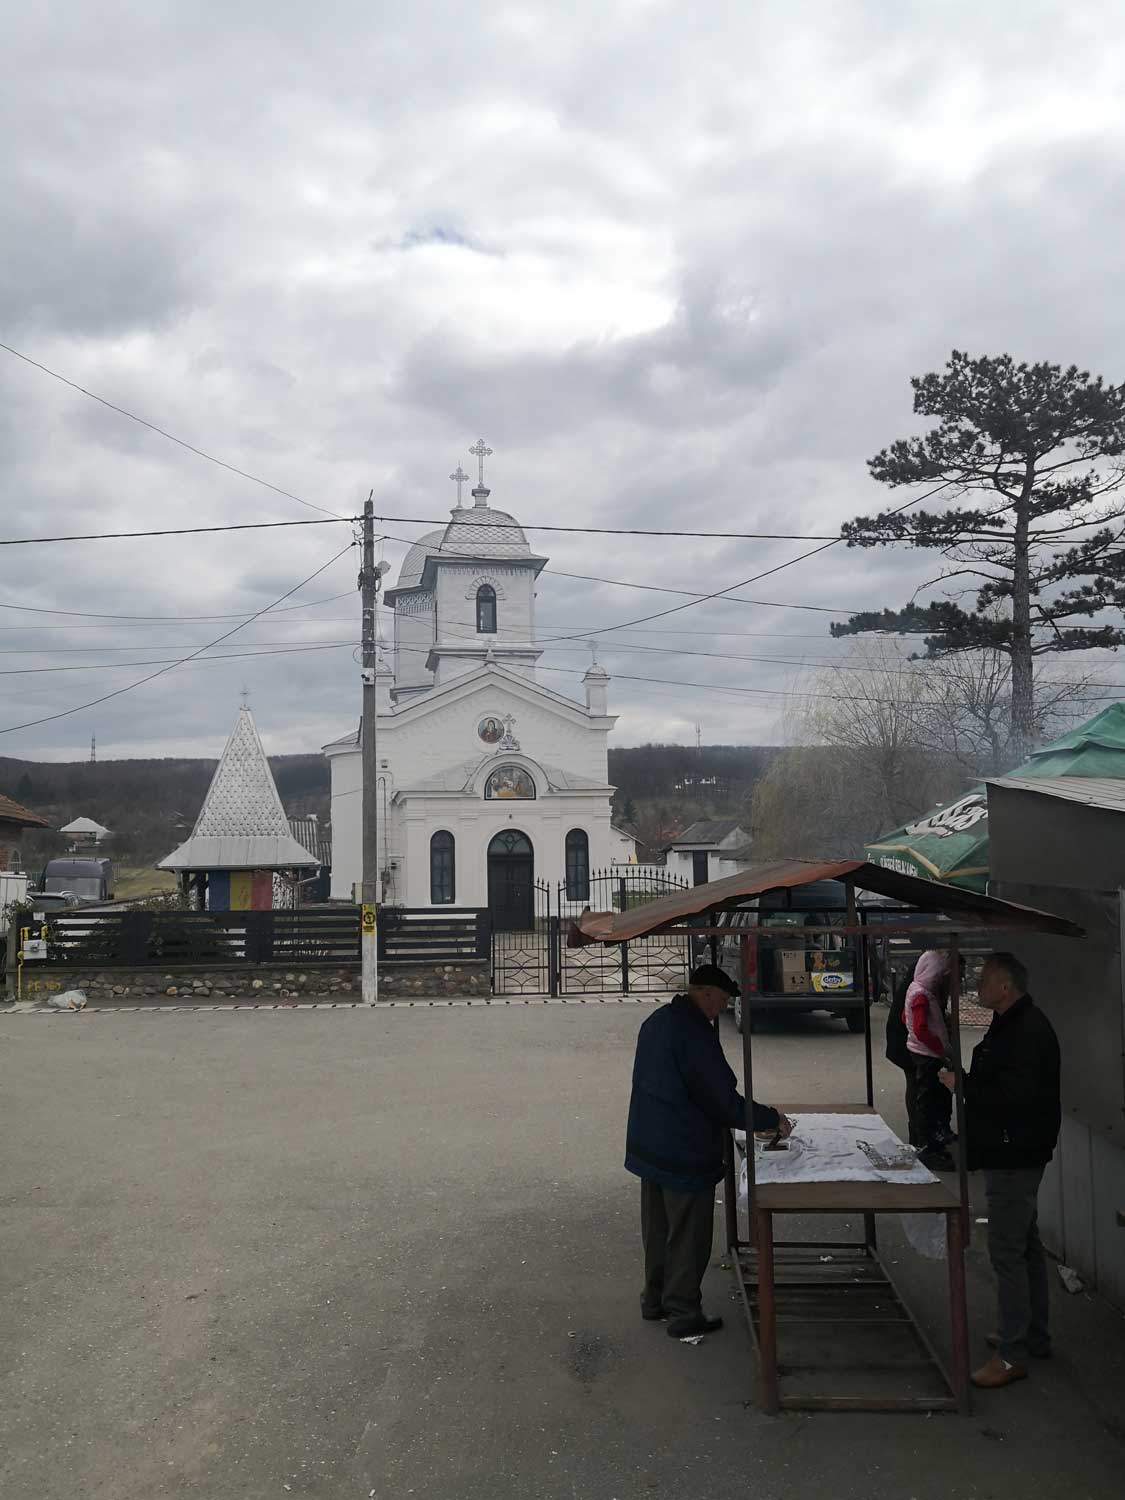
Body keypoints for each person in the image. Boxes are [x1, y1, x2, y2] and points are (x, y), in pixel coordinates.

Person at [624, 963, 792, 1339]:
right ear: (705, 994)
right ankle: (683, 1312)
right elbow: (719, 1100)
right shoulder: (694, 1034)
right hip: (683, 1148)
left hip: (649, 1142)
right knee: (688, 1234)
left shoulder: (658, 1020)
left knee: (658, 1229)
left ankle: (654, 1299)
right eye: (721, 1001)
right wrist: (769, 1117)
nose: (721, 1009)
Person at [941, 952, 1061, 1390]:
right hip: (1013, 1150)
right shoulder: (1011, 1022)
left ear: (1006, 987)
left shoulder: (1027, 1030)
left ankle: (1011, 1354)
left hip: (1015, 1153)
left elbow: (1014, 1097)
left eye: (986, 980)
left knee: (1007, 1251)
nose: (978, 986)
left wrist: (963, 1086)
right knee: (1026, 1244)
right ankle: (1033, 1334)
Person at [904, 949, 956, 1170]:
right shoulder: (922, 995)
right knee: (928, 1100)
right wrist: (940, 1049)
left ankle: (934, 1138)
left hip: (923, 1052)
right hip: (927, 1054)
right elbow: (920, 1028)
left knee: (930, 1096)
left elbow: (905, 1018)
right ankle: (928, 1145)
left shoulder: (916, 990)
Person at [884, 956, 920, 1144]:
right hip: (906, 1042)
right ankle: (917, 1132)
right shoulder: (919, 992)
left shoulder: (916, 985)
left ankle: (917, 1131)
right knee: (915, 1084)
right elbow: (918, 1026)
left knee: (915, 1084)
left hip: (906, 1040)